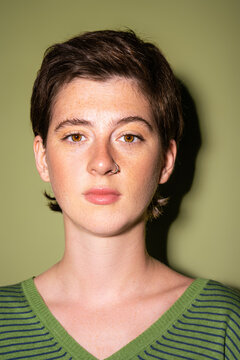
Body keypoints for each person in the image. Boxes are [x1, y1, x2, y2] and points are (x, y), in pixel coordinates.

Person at [0, 30, 239, 360]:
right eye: (75, 136)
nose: (102, 162)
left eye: (129, 137)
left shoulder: (225, 324)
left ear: (166, 161)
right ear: (42, 158)